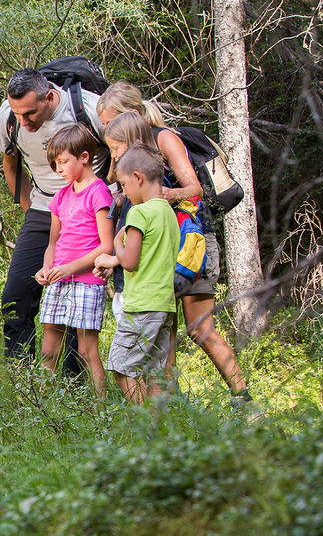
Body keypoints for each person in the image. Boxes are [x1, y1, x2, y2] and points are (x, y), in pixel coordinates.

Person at [96, 83, 251, 401]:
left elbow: (193, 188)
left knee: (199, 327)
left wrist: (164, 194)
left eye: (114, 122)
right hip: (158, 246)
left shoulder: (163, 138)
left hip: (191, 241)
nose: (111, 130)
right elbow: (114, 182)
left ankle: (243, 397)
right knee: (163, 330)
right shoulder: (126, 155)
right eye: (106, 126)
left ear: (134, 114)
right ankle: (166, 408)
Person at [0, 68, 105, 370]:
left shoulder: (90, 109)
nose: (24, 121)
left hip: (90, 210)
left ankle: (73, 384)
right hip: (45, 207)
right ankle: (20, 375)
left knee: (75, 294)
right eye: (19, 113)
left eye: (30, 113)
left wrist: (110, 199)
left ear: (50, 97)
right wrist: (28, 205)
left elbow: (125, 150)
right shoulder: (9, 116)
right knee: (17, 291)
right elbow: (10, 160)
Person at [93, 145, 179, 404]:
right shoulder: (168, 212)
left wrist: (117, 242)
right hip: (165, 305)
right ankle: (154, 433)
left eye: (124, 184)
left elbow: (129, 262)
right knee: (154, 372)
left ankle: (143, 425)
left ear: (138, 178)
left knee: (121, 368)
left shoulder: (139, 213)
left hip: (141, 305)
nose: (124, 192)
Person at [34, 123, 114, 394]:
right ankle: (44, 405)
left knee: (86, 350)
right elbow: (52, 243)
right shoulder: (60, 196)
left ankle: (100, 409)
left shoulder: (98, 192)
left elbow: (107, 245)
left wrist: (69, 267)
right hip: (58, 278)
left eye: (63, 162)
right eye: (55, 164)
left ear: (84, 157)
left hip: (87, 281)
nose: (59, 169)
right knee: (49, 349)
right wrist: (47, 268)